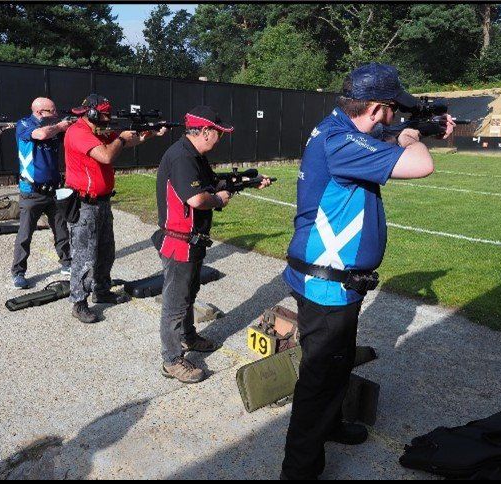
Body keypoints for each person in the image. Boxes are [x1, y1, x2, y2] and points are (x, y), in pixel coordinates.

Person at [280, 63, 455, 480]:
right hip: (328, 284)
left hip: (337, 281)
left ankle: (333, 424)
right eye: (392, 110)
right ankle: (298, 471)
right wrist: (414, 133)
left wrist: (416, 125)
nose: (394, 117)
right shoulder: (341, 142)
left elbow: (381, 139)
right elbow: (420, 164)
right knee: (318, 380)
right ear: (376, 109)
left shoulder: (338, 129)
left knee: (337, 365)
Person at [152, 106, 272, 384]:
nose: (220, 138)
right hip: (180, 242)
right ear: (205, 132)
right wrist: (219, 200)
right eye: (218, 133)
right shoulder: (182, 158)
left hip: (192, 241)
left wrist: (247, 183)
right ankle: (171, 360)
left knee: (189, 294)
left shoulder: (194, 155)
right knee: (175, 304)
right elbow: (197, 199)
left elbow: (214, 182)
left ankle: (188, 337)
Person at [64, 94, 167, 324]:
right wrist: (121, 137)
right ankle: (78, 301)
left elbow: (126, 142)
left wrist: (148, 134)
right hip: (84, 204)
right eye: (104, 113)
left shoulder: (98, 130)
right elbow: (107, 155)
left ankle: (101, 290)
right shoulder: (78, 132)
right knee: (84, 256)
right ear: (91, 112)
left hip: (102, 201)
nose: (108, 117)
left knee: (105, 250)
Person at [11, 97, 74, 289]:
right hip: (31, 191)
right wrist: (60, 126)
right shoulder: (24, 124)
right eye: (52, 111)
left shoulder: (54, 126)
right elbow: (40, 135)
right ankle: (18, 272)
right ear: (39, 112)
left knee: (61, 229)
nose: (55, 115)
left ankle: (66, 263)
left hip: (53, 189)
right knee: (25, 233)